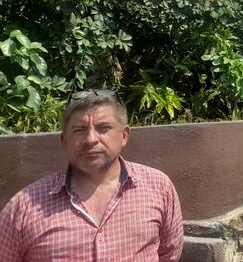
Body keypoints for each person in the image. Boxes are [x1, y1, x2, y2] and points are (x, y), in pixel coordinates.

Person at [0, 90, 184, 262]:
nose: (90, 139)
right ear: (64, 140)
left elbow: (169, 254)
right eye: (79, 130)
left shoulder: (158, 187)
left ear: (124, 135)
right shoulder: (25, 207)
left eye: (103, 128)